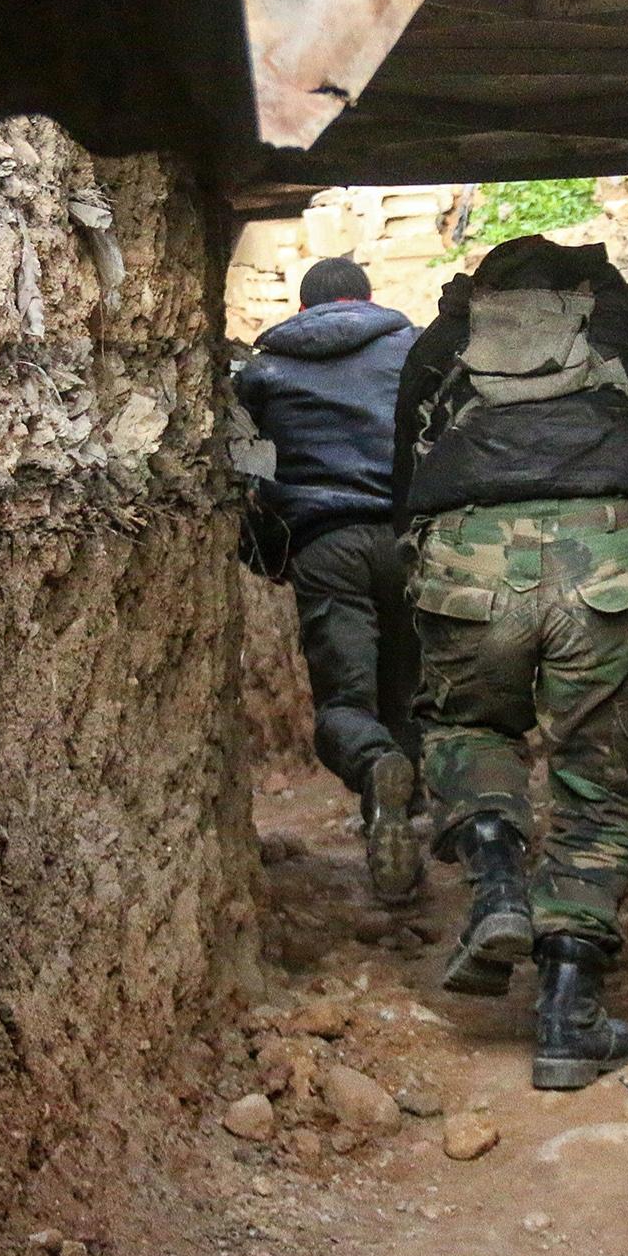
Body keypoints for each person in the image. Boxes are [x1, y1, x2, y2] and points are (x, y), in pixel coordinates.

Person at [391, 233, 628, 1090]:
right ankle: (569, 1015)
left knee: (467, 723)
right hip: (611, 555)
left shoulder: (442, 339)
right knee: (601, 772)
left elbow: (401, 480)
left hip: (467, 556)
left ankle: (496, 885)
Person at [238, 257, 424, 903]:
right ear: (368, 299)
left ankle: (377, 771)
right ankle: (406, 827)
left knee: (346, 706)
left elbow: (247, 469)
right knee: (408, 695)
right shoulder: (415, 346)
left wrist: (263, 546)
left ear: (301, 309)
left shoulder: (263, 371)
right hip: (412, 542)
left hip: (326, 545)